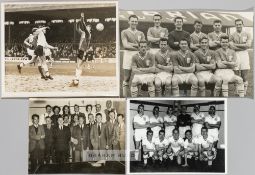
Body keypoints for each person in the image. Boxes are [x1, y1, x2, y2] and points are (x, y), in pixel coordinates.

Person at [121, 14, 145, 97]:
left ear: (137, 22)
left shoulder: (141, 33)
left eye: (135, 21)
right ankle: (124, 96)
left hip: (138, 55)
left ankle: (138, 94)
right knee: (127, 77)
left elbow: (143, 46)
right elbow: (125, 45)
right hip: (128, 55)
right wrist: (137, 46)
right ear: (129, 22)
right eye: (132, 21)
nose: (134, 23)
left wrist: (131, 44)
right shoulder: (124, 32)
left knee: (138, 75)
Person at [230, 18, 252, 96]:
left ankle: (244, 91)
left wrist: (236, 45)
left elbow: (248, 45)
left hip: (244, 54)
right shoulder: (232, 35)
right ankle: (237, 91)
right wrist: (243, 46)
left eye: (240, 24)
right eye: (237, 24)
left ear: (243, 25)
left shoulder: (247, 34)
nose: (238, 26)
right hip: (235, 54)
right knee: (236, 74)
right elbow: (232, 47)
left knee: (244, 75)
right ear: (235, 25)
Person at [71, 12, 92, 86]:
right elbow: (77, 29)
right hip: (80, 51)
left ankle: (76, 80)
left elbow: (83, 25)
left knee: (79, 65)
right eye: (87, 27)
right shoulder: (83, 33)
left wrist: (82, 18)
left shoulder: (88, 34)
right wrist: (77, 22)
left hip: (83, 51)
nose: (87, 28)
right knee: (78, 66)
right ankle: (76, 79)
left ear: (89, 30)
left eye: (88, 28)